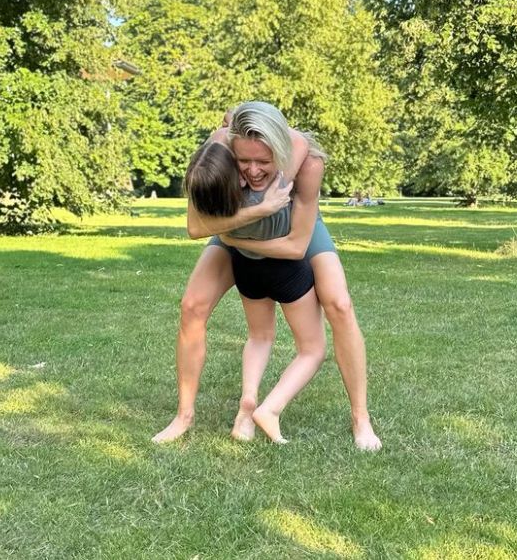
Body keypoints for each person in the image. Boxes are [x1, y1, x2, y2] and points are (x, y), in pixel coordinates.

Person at [152, 101, 381, 451]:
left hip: (292, 231)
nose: (254, 171)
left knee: (339, 304)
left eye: (264, 161)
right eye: (244, 161)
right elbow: (196, 226)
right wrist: (253, 214)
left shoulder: (305, 163)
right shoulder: (218, 147)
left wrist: (240, 231)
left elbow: (296, 245)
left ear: (282, 151)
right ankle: (184, 416)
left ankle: (361, 420)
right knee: (192, 306)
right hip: (237, 225)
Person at [182, 140, 326, 443]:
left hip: (245, 268)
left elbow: (199, 227)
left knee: (259, 337)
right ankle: (269, 409)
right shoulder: (275, 184)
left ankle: (246, 406)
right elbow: (297, 146)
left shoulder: (227, 203)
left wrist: (232, 239)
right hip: (287, 268)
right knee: (312, 349)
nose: (252, 170)